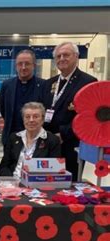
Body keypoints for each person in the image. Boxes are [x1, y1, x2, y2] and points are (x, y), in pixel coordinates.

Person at [39, 42, 97, 180]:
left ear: (76, 56)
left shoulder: (88, 82)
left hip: (70, 144)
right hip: (47, 142)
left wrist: (63, 134)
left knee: (67, 184)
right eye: (58, 56)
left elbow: (89, 117)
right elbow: (41, 109)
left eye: (66, 55)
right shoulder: (48, 83)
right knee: (44, 182)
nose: (62, 59)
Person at [0, 102, 61, 177]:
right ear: (23, 119)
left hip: (37, 183)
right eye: (27, 117)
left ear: (43, 119)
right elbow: (3, 166)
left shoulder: (52, 140)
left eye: (36, 116)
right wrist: (11, 181)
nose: (31, 120)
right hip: (12, 183)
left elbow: (54, 170)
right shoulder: (14, 137)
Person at [0, 49, 44, 145]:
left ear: (34, 66)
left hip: (36, 138)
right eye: (20, 64)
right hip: (11, 137)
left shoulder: (44, 85)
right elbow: (4, 111)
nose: (23, 67)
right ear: (16, 66)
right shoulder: (6, 85)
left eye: (27, 64)